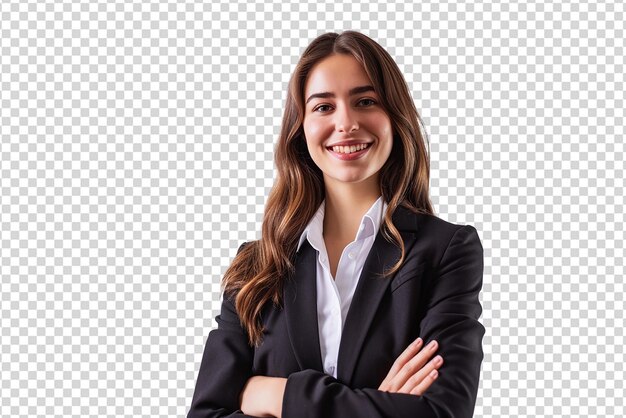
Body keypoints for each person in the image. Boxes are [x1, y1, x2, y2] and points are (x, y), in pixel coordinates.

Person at [187, 30, 485, 418]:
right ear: (301, 128)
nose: (346, 123)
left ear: (394, 117)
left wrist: (274, 395)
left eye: (365, 101)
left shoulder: (446, 251)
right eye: (324, 107)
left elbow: (442, 412)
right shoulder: (257, 265)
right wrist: (378, 406)